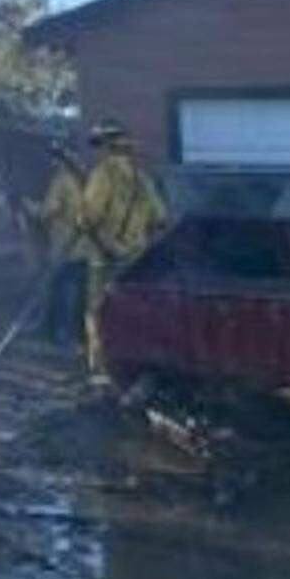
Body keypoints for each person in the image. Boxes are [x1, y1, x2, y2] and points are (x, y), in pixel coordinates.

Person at [80, 120, 166, 385]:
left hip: (103, 261)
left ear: (104, 147)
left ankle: (102, 369)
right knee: (133, 311)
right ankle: (135, 363)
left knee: (98, 313)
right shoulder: (143, 178)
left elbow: (87, 218)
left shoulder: (103, 174)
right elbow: (161, 218)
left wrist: (108, 246)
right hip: (136, 259)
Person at [33, 142, 89, 346]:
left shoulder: (62, 181)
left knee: (62, 292)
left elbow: (47, 212)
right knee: (77, 293)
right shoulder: (83, 180)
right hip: (84, 249)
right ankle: (77, 336)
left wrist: (29, 207)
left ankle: (60, 335)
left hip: (65, 249)